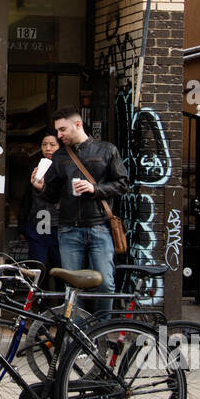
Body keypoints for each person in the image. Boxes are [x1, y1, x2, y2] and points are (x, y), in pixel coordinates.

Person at [31, 106, 129, 314]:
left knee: (105, 284)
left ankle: (101, 332)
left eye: (63, 130)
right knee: (72, 288)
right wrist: (41, 188)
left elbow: (123, 184)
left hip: (99, 227)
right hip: (68, 230)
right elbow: (52, 195)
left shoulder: (106, 150)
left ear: (77, 124)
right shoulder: (59, 157)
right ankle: (78, 335)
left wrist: (96, 189)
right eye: (57, 130)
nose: (59, 135)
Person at [20, 129, 62, 276]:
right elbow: (27, 196)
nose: (48, 148)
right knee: (37, 266)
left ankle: (59, 297)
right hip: (38, 222)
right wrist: (22, 224)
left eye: (52, 144)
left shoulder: (66, 166)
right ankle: (39, 298)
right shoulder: (35, 166)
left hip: (59, 225)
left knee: (59, 266)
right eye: (44, 145)